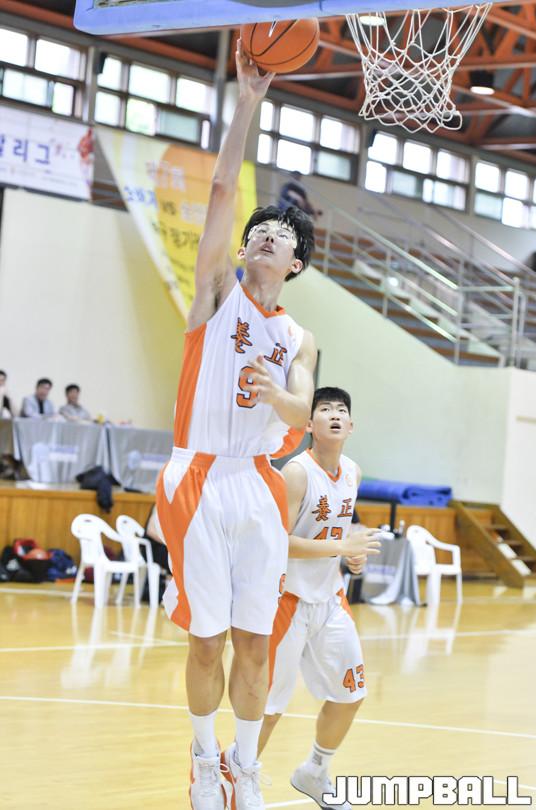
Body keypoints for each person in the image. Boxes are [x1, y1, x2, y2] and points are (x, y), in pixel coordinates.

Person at [155, 41, 317, 810]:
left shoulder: (299, 339)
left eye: (282, 236)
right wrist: (247, 102)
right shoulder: (217, 292)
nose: (267, 235)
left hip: (258, 484)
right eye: (260, 230)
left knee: (255, 642)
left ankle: (242, 768)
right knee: (207, 640)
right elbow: (222, 188)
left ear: (295, 264)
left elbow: (304, 413)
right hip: (198, 473)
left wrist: (277, 395)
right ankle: (200, 761)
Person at [257, 386, 381, 808]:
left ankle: (314, 770)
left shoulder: (353, 472)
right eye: (324, 409)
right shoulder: (296, 472)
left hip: (330, 599)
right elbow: (279, 542)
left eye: (341, 410)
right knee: (268, 707)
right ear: (309, 424)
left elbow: (337, 535)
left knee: (351, 695)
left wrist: (352, 555)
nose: (334, 414)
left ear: (351, 425)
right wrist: (340, 547)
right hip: (287, 601)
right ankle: (235, 781)